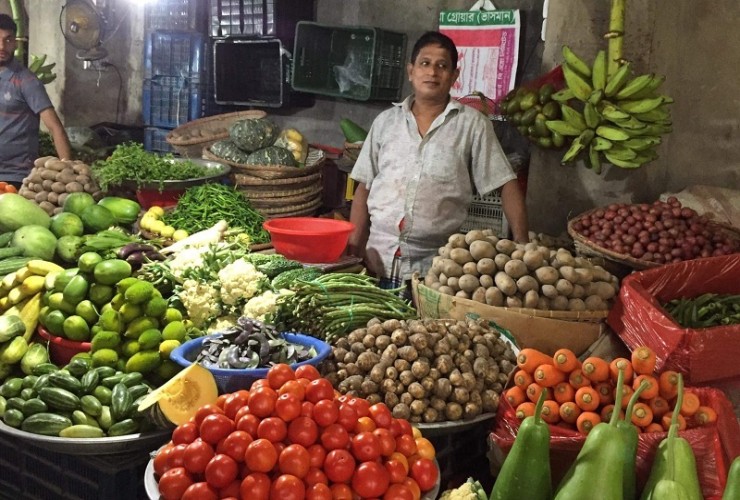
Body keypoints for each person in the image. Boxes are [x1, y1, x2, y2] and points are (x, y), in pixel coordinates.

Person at [348, 31, 528, 293]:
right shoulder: (385, 122)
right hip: (376, 261)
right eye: (425, 63)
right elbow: (364, 186)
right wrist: (354, 250)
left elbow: (506, 183)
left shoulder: (472, 125)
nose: (432, 72)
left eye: (442, 66)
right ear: (411, 71)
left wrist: (522, 244)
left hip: (438, 272)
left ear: (454, 76)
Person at [0, 13, 71, 187]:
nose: (2, 46)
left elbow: (55, 128)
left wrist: (68, 172)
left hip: (15, 176)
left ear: (15, 43)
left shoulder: (26, 81)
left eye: (8, 40)